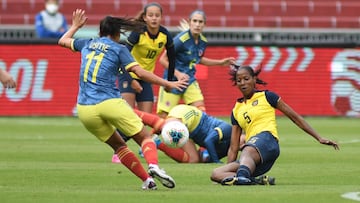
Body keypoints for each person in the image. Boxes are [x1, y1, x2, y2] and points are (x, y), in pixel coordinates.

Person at [58, 9, 188, 190]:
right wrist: (167, 82)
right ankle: (154, 166)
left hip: (84, 109)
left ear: (100, 32)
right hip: (109, 102)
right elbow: (140, 72)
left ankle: (147, 181)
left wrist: (75, 26)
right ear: (117, 34)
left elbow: (62, 40)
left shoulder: (87, 43)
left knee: (119, 147)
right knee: (144, 137)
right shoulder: (119, 48)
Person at [210, 64, 340, 186]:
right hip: (252, 157)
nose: (243, 83)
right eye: (239, 80)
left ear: (254, 79)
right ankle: (253, 180)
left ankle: (243, 177)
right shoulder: (236, 110)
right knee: (216, 174)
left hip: (267, 141)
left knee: (247, 150)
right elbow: (233, 147)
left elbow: (295, 117)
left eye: (246, 79)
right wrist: (229, 176)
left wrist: (319, 137)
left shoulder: (267, 96)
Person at [156, 10, 236, 118]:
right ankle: (152, 136)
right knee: (163, 118)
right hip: (172, 81)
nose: (197, 24)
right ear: (189, 22)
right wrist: (178, 74)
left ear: (204, 24)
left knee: (200, 113)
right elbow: (163, 59)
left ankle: (197, 134)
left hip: (189, 80)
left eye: (200, 22)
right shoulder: (180, 40)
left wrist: (220, 62)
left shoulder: (203, 41)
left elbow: (198, 59)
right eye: (195, 21)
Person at [122, 104, 232, 163]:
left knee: (194, 160)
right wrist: (217, 162)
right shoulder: (229, 130)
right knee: (170, 127)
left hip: (190, 128)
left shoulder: (230, 147)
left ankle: (157, 142)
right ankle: (129, 111)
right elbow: (209, 141)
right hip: (187, 117)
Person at [118, 2, 176, 113]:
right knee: (127, 116)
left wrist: (169, 81)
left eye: (157, 15)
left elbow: (172, 58)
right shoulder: (138, 33)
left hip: (146, 78)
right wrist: (131, 81)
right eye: (150, 15)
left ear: (161, 17)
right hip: (128, 75)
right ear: (145, 17)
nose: (154, 18)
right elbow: (122, 57)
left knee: (146, 118)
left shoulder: (165, 35)